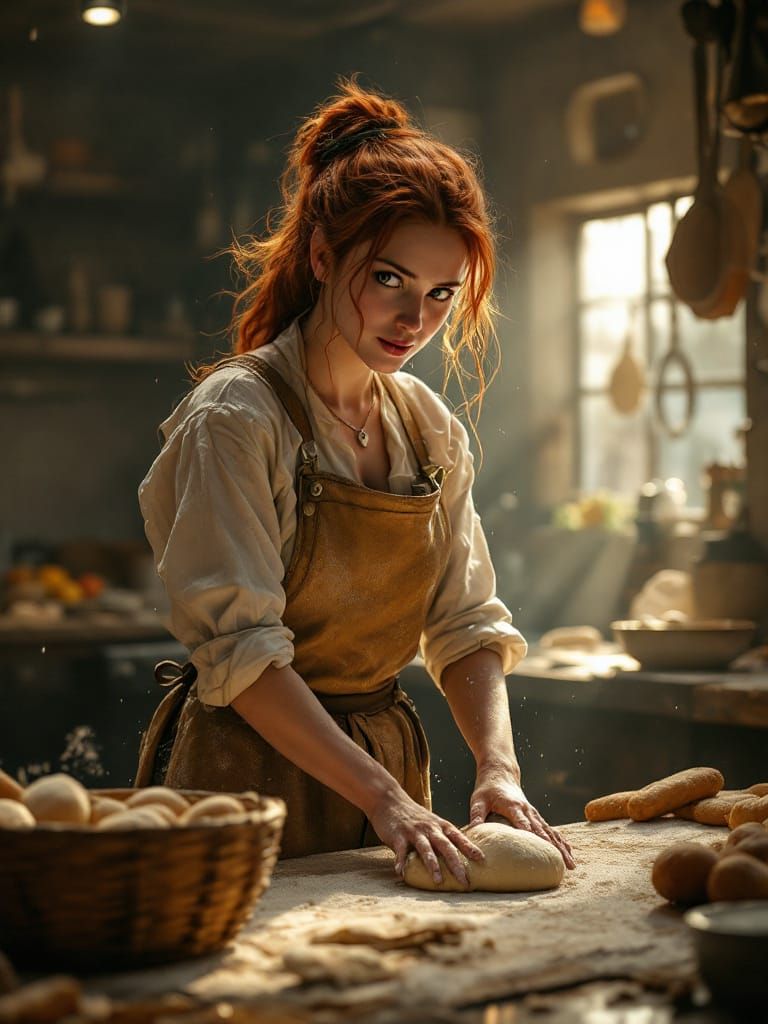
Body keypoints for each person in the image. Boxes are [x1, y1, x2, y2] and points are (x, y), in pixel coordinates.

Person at [136, 79, 575, 886]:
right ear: (322, 257)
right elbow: (244, 652)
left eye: (442, 294)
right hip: (249, 781)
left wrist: (497, 769)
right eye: (390, 281)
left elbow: (467, 623)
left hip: (388, 779)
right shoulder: (237, 417)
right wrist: (386, 800)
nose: (415, 319)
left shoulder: (425, 425)